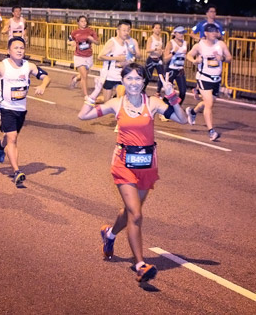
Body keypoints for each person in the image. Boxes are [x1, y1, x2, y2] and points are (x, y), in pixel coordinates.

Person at [78, 63, 187, 283]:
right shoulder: (116, 104)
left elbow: (182, 119)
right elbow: (83, 115)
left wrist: (171, 95)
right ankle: (140, 265)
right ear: (123, 81)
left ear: (144, 82)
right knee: (136, 215)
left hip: (147, 165)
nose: (134, 83)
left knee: (130, 211)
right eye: (129, 79)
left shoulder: (153, 103)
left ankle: (109, 234)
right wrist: (97, 91)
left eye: (138, 79)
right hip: (123, 164)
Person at [0, 37, 51, 185]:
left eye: (22, 48)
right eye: (16, 48)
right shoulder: (2, 66)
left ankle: (0, 146)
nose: (19, 50)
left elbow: (46, 77)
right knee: (13, 138)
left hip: (21, 109)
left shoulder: (29, 66)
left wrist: (43, 86)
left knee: (8, 137)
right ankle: (16, 171)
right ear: (9, 51)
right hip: (5, 106)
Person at [185, 23, 232, 141]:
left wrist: (222, 59)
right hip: (204, 78)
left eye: (216, 31)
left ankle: (192, 111)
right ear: (206, 33)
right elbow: (189, 55)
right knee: (209, 103)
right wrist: (195, 61)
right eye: (211, 32)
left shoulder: (221, 44)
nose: (214, 34)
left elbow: (230, 58)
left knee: (209, 103)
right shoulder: (199, 45)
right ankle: (211, 132)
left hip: (216, 79)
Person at [98, 19, 140, 102]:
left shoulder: (127, 43)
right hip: (109, 75)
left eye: (128, 30)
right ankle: (95, 99)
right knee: (107, 102)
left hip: (120, 76)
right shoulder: (112, 42)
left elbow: (129, 59)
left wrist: (130, 59)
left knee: (121, 100)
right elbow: (100, 57)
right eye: (124, 30)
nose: (126, 32)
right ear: (118, 31)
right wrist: (117, 58)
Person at [68, 15, 99, 97]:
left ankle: (75, 79)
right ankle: (86, 96)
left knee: (83, 75)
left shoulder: (91, 31)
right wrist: (71, 43)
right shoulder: (74, 32)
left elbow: (97, 42)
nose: (84, 23)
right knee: (84, 76)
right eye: (81, 21)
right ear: (78, 22)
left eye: (85, 21)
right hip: (78, 56)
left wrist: (92, 39)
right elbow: (69, 41)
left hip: (88, 56)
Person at [163, 26, 188, 106]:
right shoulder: (170, 43)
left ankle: (177, 108)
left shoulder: (185, 43)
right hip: (171, 70)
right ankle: (164, 109)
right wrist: (173, 52)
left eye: (182, 33)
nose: (181, 34)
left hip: (180, 70)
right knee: (168, 92)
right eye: (179, 33)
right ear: (175, 33)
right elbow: (165, 59)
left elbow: (186, 56)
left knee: (183, 91)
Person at [144, 23, 165, 96]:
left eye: (159, 28)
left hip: (159, 59)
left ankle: (158, 92)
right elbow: (147, 50)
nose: (158, 29)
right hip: (151, 60)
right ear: (152, 29)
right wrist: (155, 49)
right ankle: (142, 91)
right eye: (156, 28)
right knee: (148, 77)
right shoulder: (151, 38)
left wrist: (162, 51)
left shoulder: (161, 38)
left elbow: (161, 49)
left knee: (162, 76)